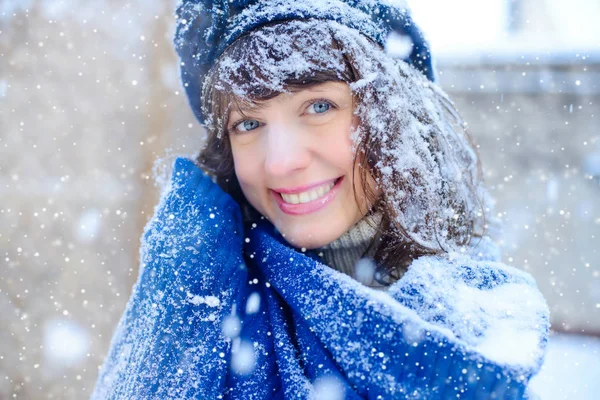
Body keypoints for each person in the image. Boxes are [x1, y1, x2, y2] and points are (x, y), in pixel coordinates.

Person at [91, 1, 550, 399]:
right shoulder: (197, 308)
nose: (281, 163)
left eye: (318, 107)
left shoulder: (481, 314)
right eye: (248, 124)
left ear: (391, 117)